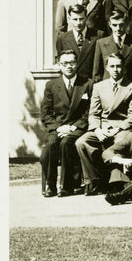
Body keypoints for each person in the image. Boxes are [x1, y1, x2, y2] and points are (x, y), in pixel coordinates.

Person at [75, 52, 132, 195]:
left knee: (120, 142)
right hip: (102, 127)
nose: (116, 70)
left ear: (124, 68)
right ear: (107, 68)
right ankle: (93, 180)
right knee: (81, 142)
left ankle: (118, 182)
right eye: (112, 66)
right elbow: (94, 113)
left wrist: (116, 130)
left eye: (119, 66)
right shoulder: (99, 86)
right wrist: (97, 130)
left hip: (121, 127)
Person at [38, 49, 91, 197]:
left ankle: (67, 186)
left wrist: (74, 127)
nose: (69, 66)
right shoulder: (51, 85)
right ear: (59, 65)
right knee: (51, 144)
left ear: (77, 63)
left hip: (77, 127)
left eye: (72, 62)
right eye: (65, 63)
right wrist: (59, 127)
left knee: (66, 142)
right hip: (58, 127)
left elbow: (88, 112)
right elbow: (46, 113)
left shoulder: (87, 83)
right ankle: (51, 185)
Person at [55, 3, 101, 82]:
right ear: (69, 19)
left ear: (86, 18)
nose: (78, 23)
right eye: (75, 19)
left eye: (81, 19)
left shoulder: (98, 36)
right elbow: (62, 63)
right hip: (72, 83)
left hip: (92, 83)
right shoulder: (62, 38)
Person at [93, 10, 132, 82]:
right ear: (109, 24)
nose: (118, 28)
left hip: (128, 87)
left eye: (121, 25)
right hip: (107, 88)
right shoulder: (101, 43)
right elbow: (97, 73)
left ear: (127, 24)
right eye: (114, 25)